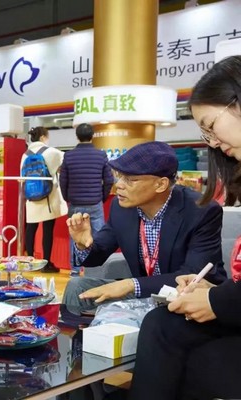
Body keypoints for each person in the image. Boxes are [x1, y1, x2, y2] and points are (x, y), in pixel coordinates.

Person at [129, 55, 241, 400]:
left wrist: (217, 299)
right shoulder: (121, 214)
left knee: (193, 359)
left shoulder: (199, 211)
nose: (212, 142)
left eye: (211, 125)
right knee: (162, 326)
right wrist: (211, 290)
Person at [63, 141, 227, 311]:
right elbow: (97, 255)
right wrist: (83, 244)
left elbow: (192, 276)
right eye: (119, 176)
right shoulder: (121, 208)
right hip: (145, 292)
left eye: (130, 180)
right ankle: (73, 327)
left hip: (187, 296)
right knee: (77, 287)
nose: (119, 185)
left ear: (161, 184)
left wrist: (130, 285)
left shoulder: (201, 211)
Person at [59, 123, 114, 276]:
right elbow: (109, 180)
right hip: (95, 203)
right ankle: (95, 271)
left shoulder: (69, 156)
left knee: (75, 235)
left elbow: (63, 181)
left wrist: (67, 198)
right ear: (92, 136)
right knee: (98, 236)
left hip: (75, 203)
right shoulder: (100, 155)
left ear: (77, 136)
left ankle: (75, 270)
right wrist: (102, 197)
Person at [22, 127, 67, 272]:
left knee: (31, 229)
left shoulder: (25, 155)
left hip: (31, 197)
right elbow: (66, 162)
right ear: (42, 137)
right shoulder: (51, 152)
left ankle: (30, 262)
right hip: (48, 197)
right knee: (48, 230)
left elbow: (22, 177)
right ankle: (46, 264)